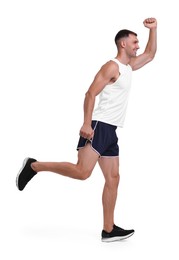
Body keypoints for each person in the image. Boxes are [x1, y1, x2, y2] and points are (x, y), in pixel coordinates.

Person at [16, 17, 157, 242]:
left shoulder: (128, 67)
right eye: (134, 42)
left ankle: (108, 229)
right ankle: (34, 166)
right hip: (99, 126)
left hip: (111, 130)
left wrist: (154, 29)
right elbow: (90, 93)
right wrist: (86, 123)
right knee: (83, 172)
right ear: (123, 44)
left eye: (138, 43)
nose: (138, 46)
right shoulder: (112, 66)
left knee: (114, 178)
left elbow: (150, 55)